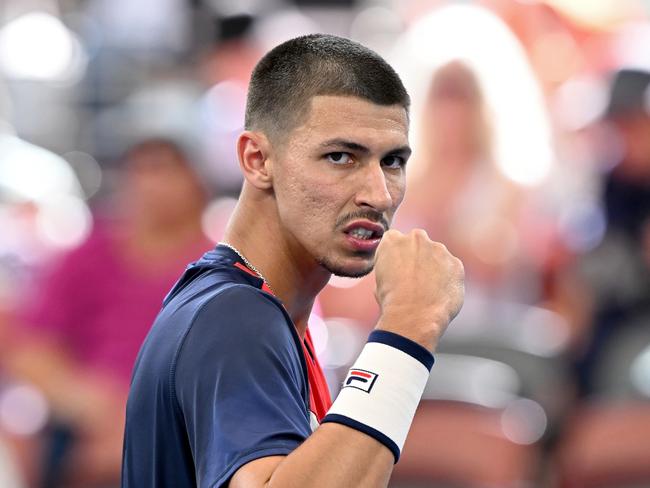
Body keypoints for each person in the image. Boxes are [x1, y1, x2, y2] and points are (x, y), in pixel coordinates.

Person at [122, 34, 464, 488]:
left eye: (393, 161)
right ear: (257, 159)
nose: (379, 194)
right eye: (340, 157)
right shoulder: (236, 316)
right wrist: (407, 327)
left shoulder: (250, 309)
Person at [4, 138, 210, 487]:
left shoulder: (217, 268)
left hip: (183, 425)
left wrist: (142, 423)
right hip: (84, 424)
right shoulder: (87, 257)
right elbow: (30, 349)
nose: (152, 186)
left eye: (164, 172)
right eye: (142, 172)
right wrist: (87, 403)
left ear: (195, 184)